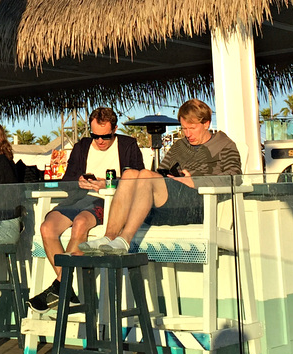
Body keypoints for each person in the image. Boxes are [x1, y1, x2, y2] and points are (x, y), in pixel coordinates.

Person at [80, 99, 241, 255]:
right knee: (131, 173)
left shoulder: (224, 145)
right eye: (184, 128)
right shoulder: (180, 146)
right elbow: (159, 173)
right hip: (168, 201)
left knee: (145, 176)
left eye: (192, 128)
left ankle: (125, 239)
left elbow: (235, 178)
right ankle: (109, 237)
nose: (187, 133)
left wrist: (194, 181)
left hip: (198, 204)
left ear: (206, 124)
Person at [28, 106, 144, 313]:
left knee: (81, 223)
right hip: (80, 197)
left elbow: (136, 180)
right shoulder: (82, 147)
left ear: (115, 129)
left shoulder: (127, 145)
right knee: (47, 228)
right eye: (95, 135)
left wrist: (107, 184)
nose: (99, 141)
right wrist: (79, 181)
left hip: (109, 201)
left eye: (105, 136)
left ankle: (60, 287)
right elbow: (67, 181)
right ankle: (64, 285)